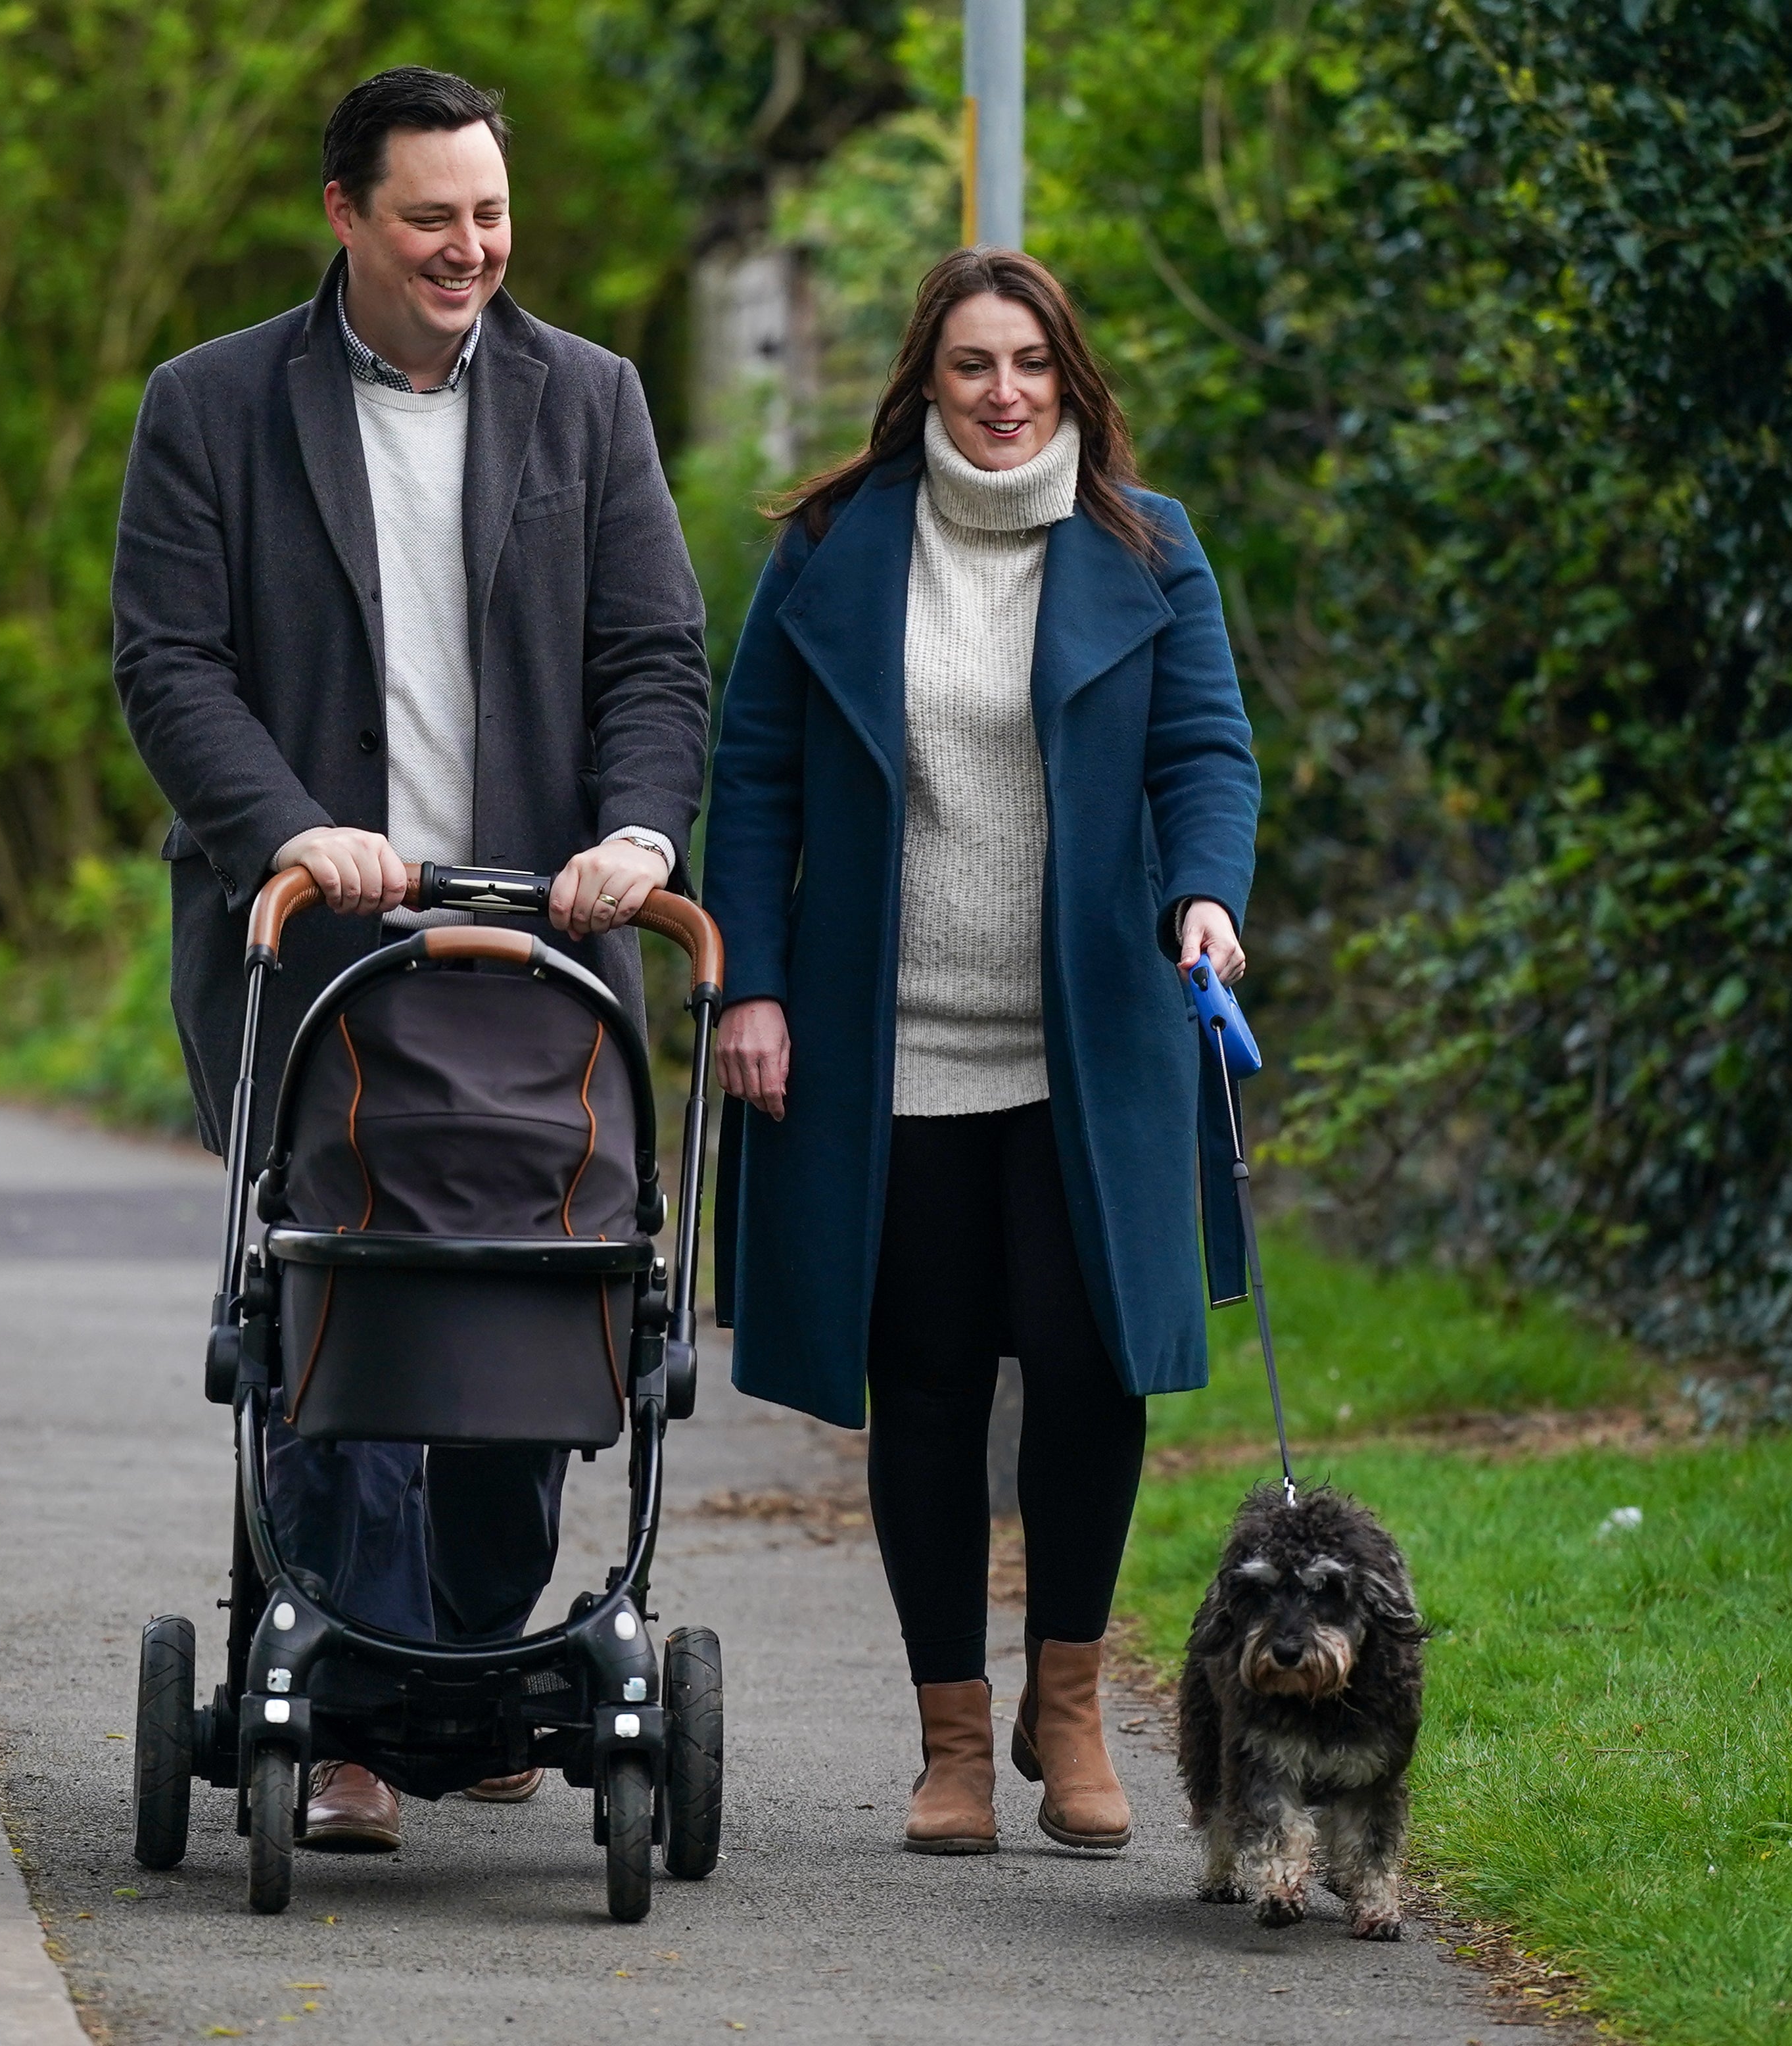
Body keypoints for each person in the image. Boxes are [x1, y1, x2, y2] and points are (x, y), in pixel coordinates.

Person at [110, 66, 710, 1853]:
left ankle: (471, 1655)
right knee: (330, 1303)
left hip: (540, 957)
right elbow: (169, 664)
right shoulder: (213, 407)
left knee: (533, 1307)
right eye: (433, 218)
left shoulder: (587, 403)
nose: (470, 250)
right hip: (315, 949)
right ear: (346, 217)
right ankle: (355, 1713)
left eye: (490, 216)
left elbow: (653, 661)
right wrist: (289, 829)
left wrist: (636, 838)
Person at [703, 247, 1261, 1855]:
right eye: (971, 366)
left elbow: (1206, 751)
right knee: (931, 1387)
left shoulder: (1150, 552)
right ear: (924, 382)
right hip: (894, 1055)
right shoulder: (830, 550)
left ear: (1070, 379)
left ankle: (1069, 1709)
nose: (1003, 393)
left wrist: (1209, 897)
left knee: (1091, 1379)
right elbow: (754, 781)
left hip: (1092, 1046)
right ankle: (953, 1739)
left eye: (1030, 364)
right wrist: (754, 983)